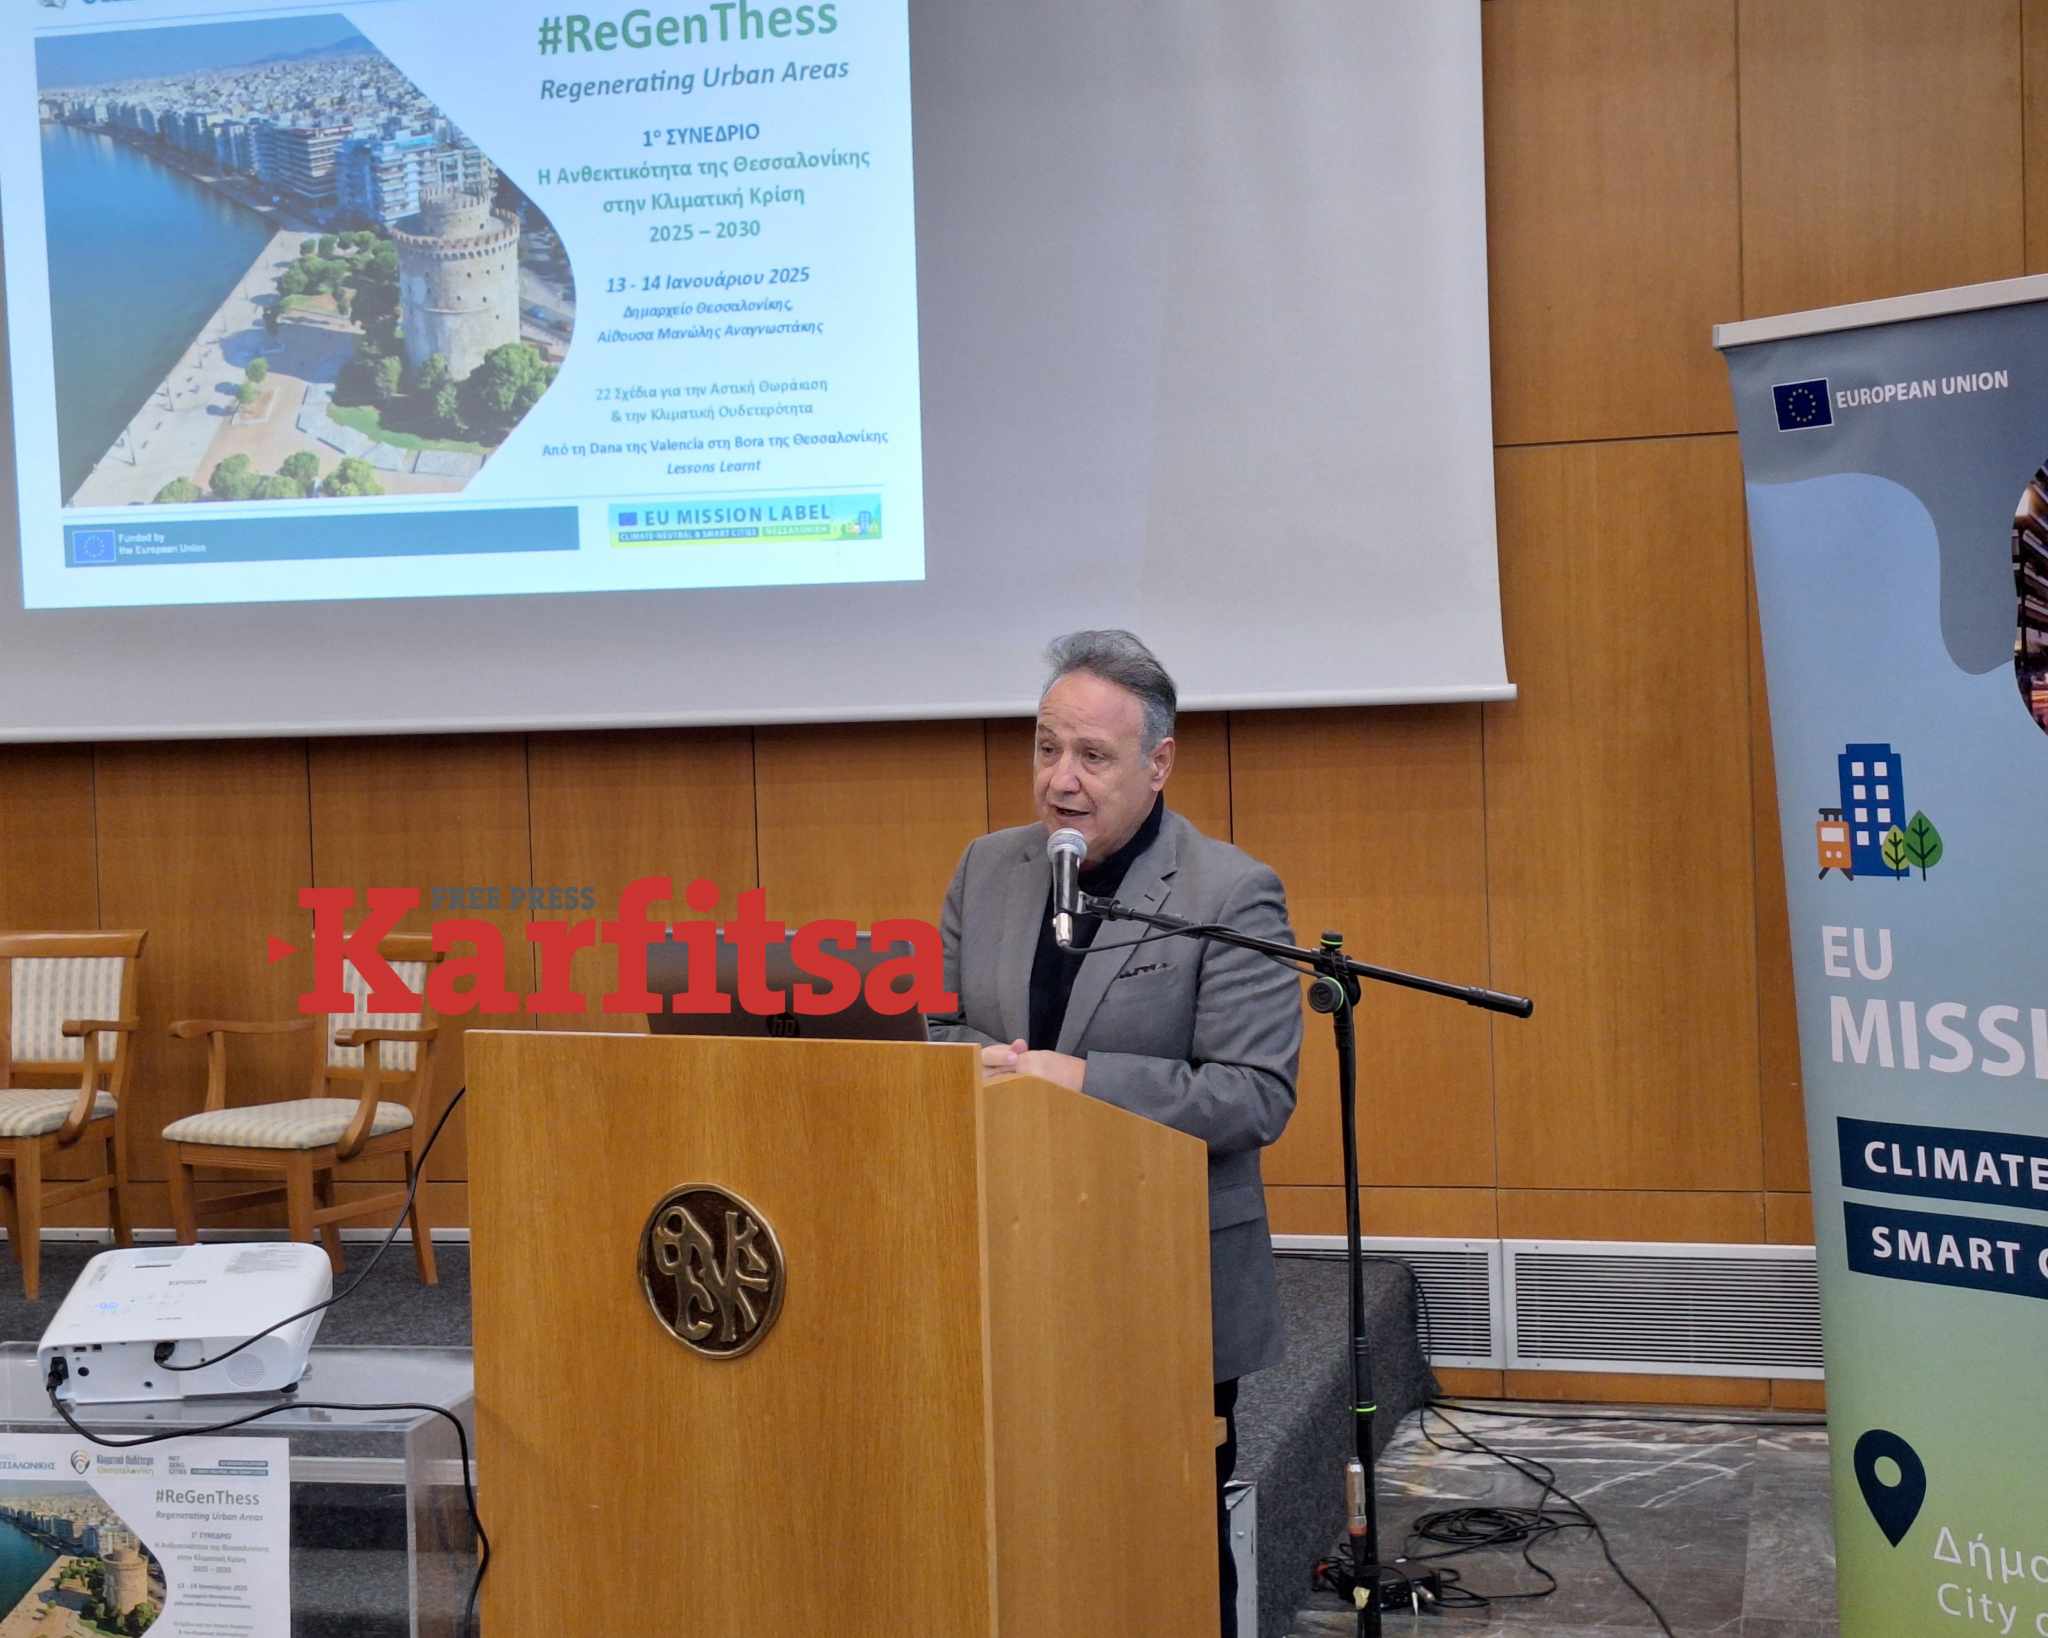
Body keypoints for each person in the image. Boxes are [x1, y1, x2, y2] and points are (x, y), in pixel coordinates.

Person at [928, 629, 1302, 1638]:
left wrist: (1079, 1079)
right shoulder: (987, 868)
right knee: (1012, 1522)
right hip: (1000, 1257)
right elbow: (938, 1026)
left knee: (1161, 1540)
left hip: (1157, 1273)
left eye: (1092, 756)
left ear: (1158, 763)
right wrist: (983, 1063)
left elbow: (1252, 1094)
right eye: (1046, 747)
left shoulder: (1228, 893)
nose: (1061, 779)